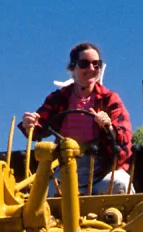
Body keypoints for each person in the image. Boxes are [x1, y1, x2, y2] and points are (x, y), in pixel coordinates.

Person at [20, 42, 134, 194]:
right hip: (65, 166)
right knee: (44, 195)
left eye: (96, 64)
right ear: (72, 68)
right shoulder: (58, 98)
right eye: (84, 64)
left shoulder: (109, 99)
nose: (91, 69)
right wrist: (30, 123)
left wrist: (109, 127)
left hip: (102, 168)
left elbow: (124, 140)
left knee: (121, 185)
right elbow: (37, 129)